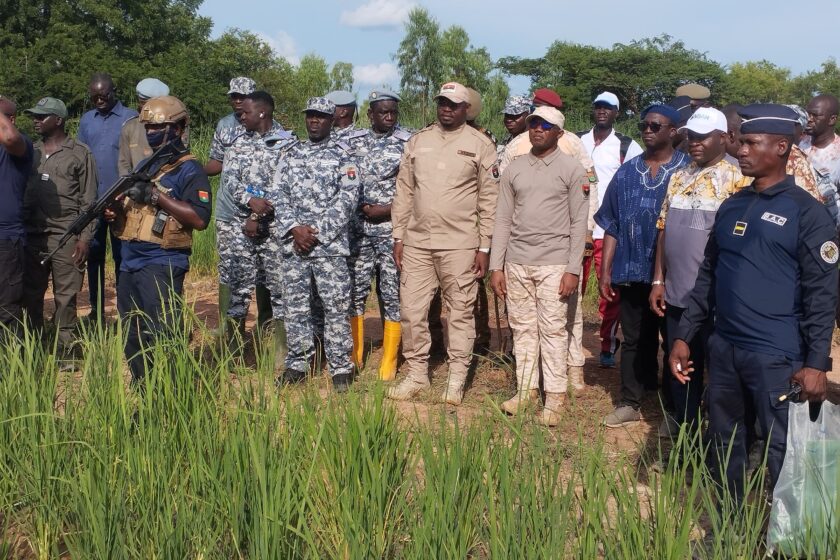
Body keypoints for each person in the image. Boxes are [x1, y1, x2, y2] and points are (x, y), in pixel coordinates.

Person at [669, 104, 837, 502]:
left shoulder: (808, 214)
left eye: (749, 143)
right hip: (725, 349)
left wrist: (816, 364)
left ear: (781, 147)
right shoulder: (733, 205)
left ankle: (780, 538)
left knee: (782, 448)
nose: (740, 150)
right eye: (740, 142)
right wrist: (684, 336)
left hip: (776, 354)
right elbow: (707, 277)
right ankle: (728, 526)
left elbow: (822, 295)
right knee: (725, 442)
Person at [388, 81, 499, 405]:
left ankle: (456, 377)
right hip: (418, 242)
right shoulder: (418, 141)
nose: (446, 108)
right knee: (411, 310)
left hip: (460, 244)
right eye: (442, 103)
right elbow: (404, 191)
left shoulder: (480, 145)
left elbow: (489, 200)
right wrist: (399, 236)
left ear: (466, 109)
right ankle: (417, 373)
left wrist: (485, 247)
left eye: (453, 104)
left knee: (461, 312)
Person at [649, 108, 749, 434]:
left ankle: (721, 437)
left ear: (723, 138)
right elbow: (663, 229)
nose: (695, 143)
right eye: (691, 136)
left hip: (715, 298)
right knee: (681, 363)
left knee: (720, 371)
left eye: (703, 137)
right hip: (677, 294)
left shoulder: (738, 179)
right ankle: (685, 426)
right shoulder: (679, 176)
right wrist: (658, 279)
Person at [489, 106, 589, 426]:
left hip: (554, 263)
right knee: (522, 329)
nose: (538, 129)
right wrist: (497, 266)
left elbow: (578, 221)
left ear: (559, 133)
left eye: (546, 126)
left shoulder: (572, 169)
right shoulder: (514, 168)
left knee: (552, 329)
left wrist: (573, 269)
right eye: (534, 124)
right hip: (517, 261)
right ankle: (527, 390)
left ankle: (555, 396)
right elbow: (502, 218)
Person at [595, 104, 690, 428]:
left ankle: (673, 409)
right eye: (644, 125)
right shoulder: (627, 172)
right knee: (635, 339)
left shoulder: (688, 172)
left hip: (674, 276)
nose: (647, 130)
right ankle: (630, 402)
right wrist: (606, 271)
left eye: (655, 125)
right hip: (632, 269)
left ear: (673, 131)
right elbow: (612, 224)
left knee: (673, 339)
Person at [105, 96, 211, 382]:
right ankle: (145, 392)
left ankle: (175, 393)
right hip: (130, 260)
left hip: (162, 260)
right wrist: (114, 211)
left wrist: (156, 196)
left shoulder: (190, 170)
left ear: (177, 129)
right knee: (132, 334)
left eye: (158, 127)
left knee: (165, 330)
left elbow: (200, 219)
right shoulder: (147, 167)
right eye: (148, 127)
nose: (151, 133)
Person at [273, 97, 360, 392]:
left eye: (320, 117)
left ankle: (340, 367)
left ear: (332, 120)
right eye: (310, 116)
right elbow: (278, 194)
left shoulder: (345, 155)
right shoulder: (289, 153)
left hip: (328, 249)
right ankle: (298, 362)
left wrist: (316, 233)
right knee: (295, 307)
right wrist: (295, 229)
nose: (314, 121)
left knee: (335, 306)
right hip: (293, 246)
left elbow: (347, 200)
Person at [219, 91, 294, 357]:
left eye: (246, 113)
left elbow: (287, 186)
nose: (241, 116)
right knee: (238, 286)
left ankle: (279, 351)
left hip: (274, 230)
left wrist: (259, 213)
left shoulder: (287, 144)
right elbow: (229, 179)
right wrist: (250, 201)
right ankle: (231, 349)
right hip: (242, 229)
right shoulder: (239, 143)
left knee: (278, 288)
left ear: (262, 112)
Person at [22, 97, 98, 356]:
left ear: (59, 120)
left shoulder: (80, 153)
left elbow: (89, 201)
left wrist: (85, 238)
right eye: (35, 115)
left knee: (65, 297)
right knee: (31, 294)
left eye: (42, 116)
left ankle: (67, 351)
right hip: (33, 235)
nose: (36, 120)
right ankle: (31, 346)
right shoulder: (29, 152)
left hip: (66, 235)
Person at [205, 77, 277, 334]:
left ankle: (268, 328)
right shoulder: (229, 131)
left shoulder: (281, 142)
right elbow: (226, 174)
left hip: (268, 221)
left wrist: (257, 216)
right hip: (231, 214)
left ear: (258, 107)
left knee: (269, 277)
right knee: (233, 273)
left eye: (243, 99)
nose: (237, 103)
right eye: (233, 98)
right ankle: (230, 333)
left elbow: (283, 185)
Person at [348, 89, 411, 379]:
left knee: (391, 293)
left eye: (393, 112)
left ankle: (389, 360)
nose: (388, 117)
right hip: (358, 231)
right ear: (370, 113)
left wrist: (386, 210)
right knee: (355, 292)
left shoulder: (407, 142)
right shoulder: (352, 141)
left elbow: (415, 189)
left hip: (391, 231)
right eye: (382, 112)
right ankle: (355, 354)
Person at [578, 92, 644, 369]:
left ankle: (607, 344)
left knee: (609, 292)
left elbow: (639, 182)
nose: (602, 111)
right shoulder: (576, 140)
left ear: (617, 113)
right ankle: (570, 343)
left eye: (608, 108)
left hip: (607, 229)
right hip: (577, 227)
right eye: (598, 107)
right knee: (572, 288)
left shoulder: (627, 146)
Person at [77, 73, 138, 321]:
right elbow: (81, 157)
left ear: (114, 91)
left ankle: (127, 313)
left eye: (103, 96)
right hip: (93, 201)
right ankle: (96, 311)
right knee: (94, 256)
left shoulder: (130, 118)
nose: (99, 101)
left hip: (122, 202)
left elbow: (136, 162)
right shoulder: (87, 120)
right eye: (94, 97)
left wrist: (125, 196)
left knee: (124, 257)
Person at [0, 95, 33, 333]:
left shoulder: (21, 145)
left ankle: (14, 366)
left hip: (6, 240)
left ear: (11, 119)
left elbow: (9, 137)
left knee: (7, 308)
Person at [117, 78, 170, 175]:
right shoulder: (130, 127)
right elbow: (124, 164)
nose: (142, 106)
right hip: (138, 186)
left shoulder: (173, 126)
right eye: (141, 103)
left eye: (145, 103)